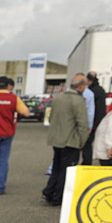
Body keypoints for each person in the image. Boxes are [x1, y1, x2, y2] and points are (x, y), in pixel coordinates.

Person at [40, 74, 89, 207]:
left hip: (57, 139)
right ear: (80, 86)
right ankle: (59, 197)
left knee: (56, 167)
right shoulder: (79, 101)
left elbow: (51, 118)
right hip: (71, 140)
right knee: (66, 170)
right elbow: (82, 123)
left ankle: (48, 192)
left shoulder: (58, 98)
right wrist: (82, 141)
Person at [81, 72, 106, 165]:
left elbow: (90, 110)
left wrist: (89, 124)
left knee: (87, 143)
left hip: (93, 122)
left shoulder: (91, 92)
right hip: (101, 120)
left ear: (88, 80)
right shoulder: (100, 90)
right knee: (97, 142)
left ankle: (87, 162)